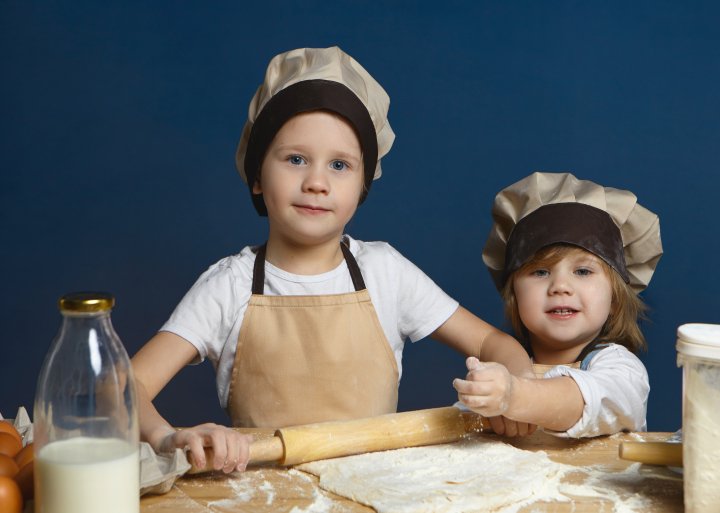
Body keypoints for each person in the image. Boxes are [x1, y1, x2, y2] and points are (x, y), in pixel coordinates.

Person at [131, 47, 534, 474]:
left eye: (340, 165)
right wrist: (167, 436)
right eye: (296, 159)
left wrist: (517, 390)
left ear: (362, 185)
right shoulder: (229, 287)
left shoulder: (385, 273)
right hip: (265, 496)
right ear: (256, 175)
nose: (317, 182)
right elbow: (122, 386)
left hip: (374, 489)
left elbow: (494, 344)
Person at [453, 172, 663, 438]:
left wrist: (515, 396)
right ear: (515, 295)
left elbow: (594, 399)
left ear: (615, 299)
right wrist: (481, 395)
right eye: (540, 272)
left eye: (583, 271)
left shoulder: (621, 369)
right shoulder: (503, 371)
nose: (560, 286)